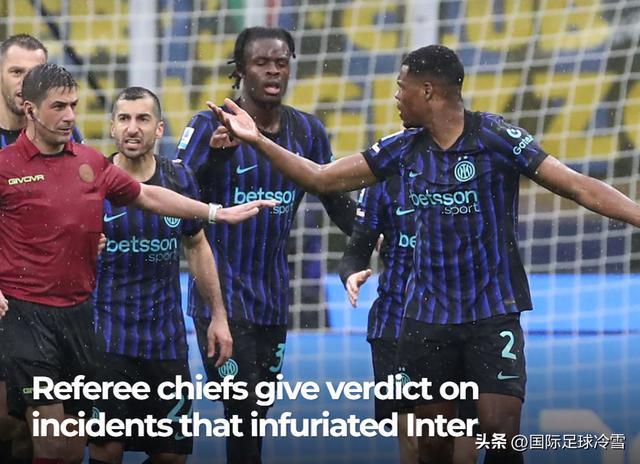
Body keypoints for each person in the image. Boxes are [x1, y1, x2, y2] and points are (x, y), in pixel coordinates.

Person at [210, 44, 640, 464]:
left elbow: (578, 186)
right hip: (426, 319)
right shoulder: (401, 148)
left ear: (428, 91)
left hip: (492, 313)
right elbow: (321, 178)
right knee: (432, 446)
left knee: (501, 434)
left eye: (402, 87)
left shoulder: (496, 138)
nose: (397, 97)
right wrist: (257, 140)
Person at [0, 63, 275, 464]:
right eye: (59, 107)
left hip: (84, 323)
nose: (70, 116)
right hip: (31, 318)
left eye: (74, 106)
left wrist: (216, 213)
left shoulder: (90, 164)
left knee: (75, 450)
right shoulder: (5, 167)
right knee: (55, 441)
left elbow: (148, 196)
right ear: (30, 109)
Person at [175, 26, 355, 464]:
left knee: (257, 411)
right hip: (219, 295)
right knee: (243, 411)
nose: (273, 70)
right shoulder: (208, 124)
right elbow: (178, 198)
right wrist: (216, 157)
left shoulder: (307, 131)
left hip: (272, 297)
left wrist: (376, 240)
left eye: (281, 62)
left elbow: (335, 199)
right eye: (261, 62)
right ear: (240, 70)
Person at [88, 86, 232, 464]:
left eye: (143, 119)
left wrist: (218, 316)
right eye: (124, 119)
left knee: (171, 455)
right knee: (108, 450)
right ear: (112, 128)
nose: (132, 128)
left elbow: (197, 245)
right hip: (107, 339)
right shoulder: (91, 181)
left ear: (159, 129)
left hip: (165, 341)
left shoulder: (179, 179)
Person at [339, 177, 478, 464]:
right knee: (414, 441)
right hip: (396, 321)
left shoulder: (471, 171)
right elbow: (357, 249)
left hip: (460, 322)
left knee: (462, 447)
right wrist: (351, 273)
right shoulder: (384, 178)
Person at [0, 33, 83, 464]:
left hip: (43, 307)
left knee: (50, 435)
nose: (24, 82)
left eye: (34, 73)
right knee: (13, 425)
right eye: (16, 72)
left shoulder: (63, 132)